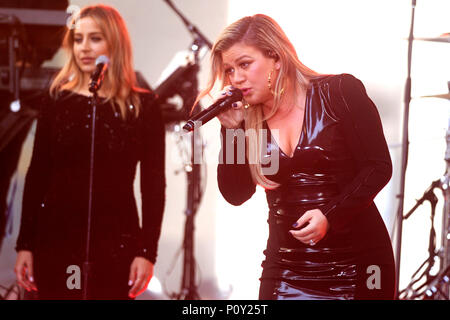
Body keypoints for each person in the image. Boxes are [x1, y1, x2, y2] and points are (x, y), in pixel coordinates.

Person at [196, 14, 395, 299]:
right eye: (229, 70)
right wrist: (232, 132)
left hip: (359, 265)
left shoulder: (339, 92)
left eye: (244, 64)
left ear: (276, 57)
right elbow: (236, 194)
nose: (236, 78)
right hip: (286, 270)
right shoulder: (248, 121)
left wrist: (330, 214)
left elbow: (378, 166)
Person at [14, 4, 166, 300]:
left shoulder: (144, 107)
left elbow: (153, 184)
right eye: (78, 38)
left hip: (117, 241)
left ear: (114, 43)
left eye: (95, 38)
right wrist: (25, 244)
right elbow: (37, 174)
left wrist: (148, 251)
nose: (84, 47)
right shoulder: (56, 100)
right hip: (56, 239)